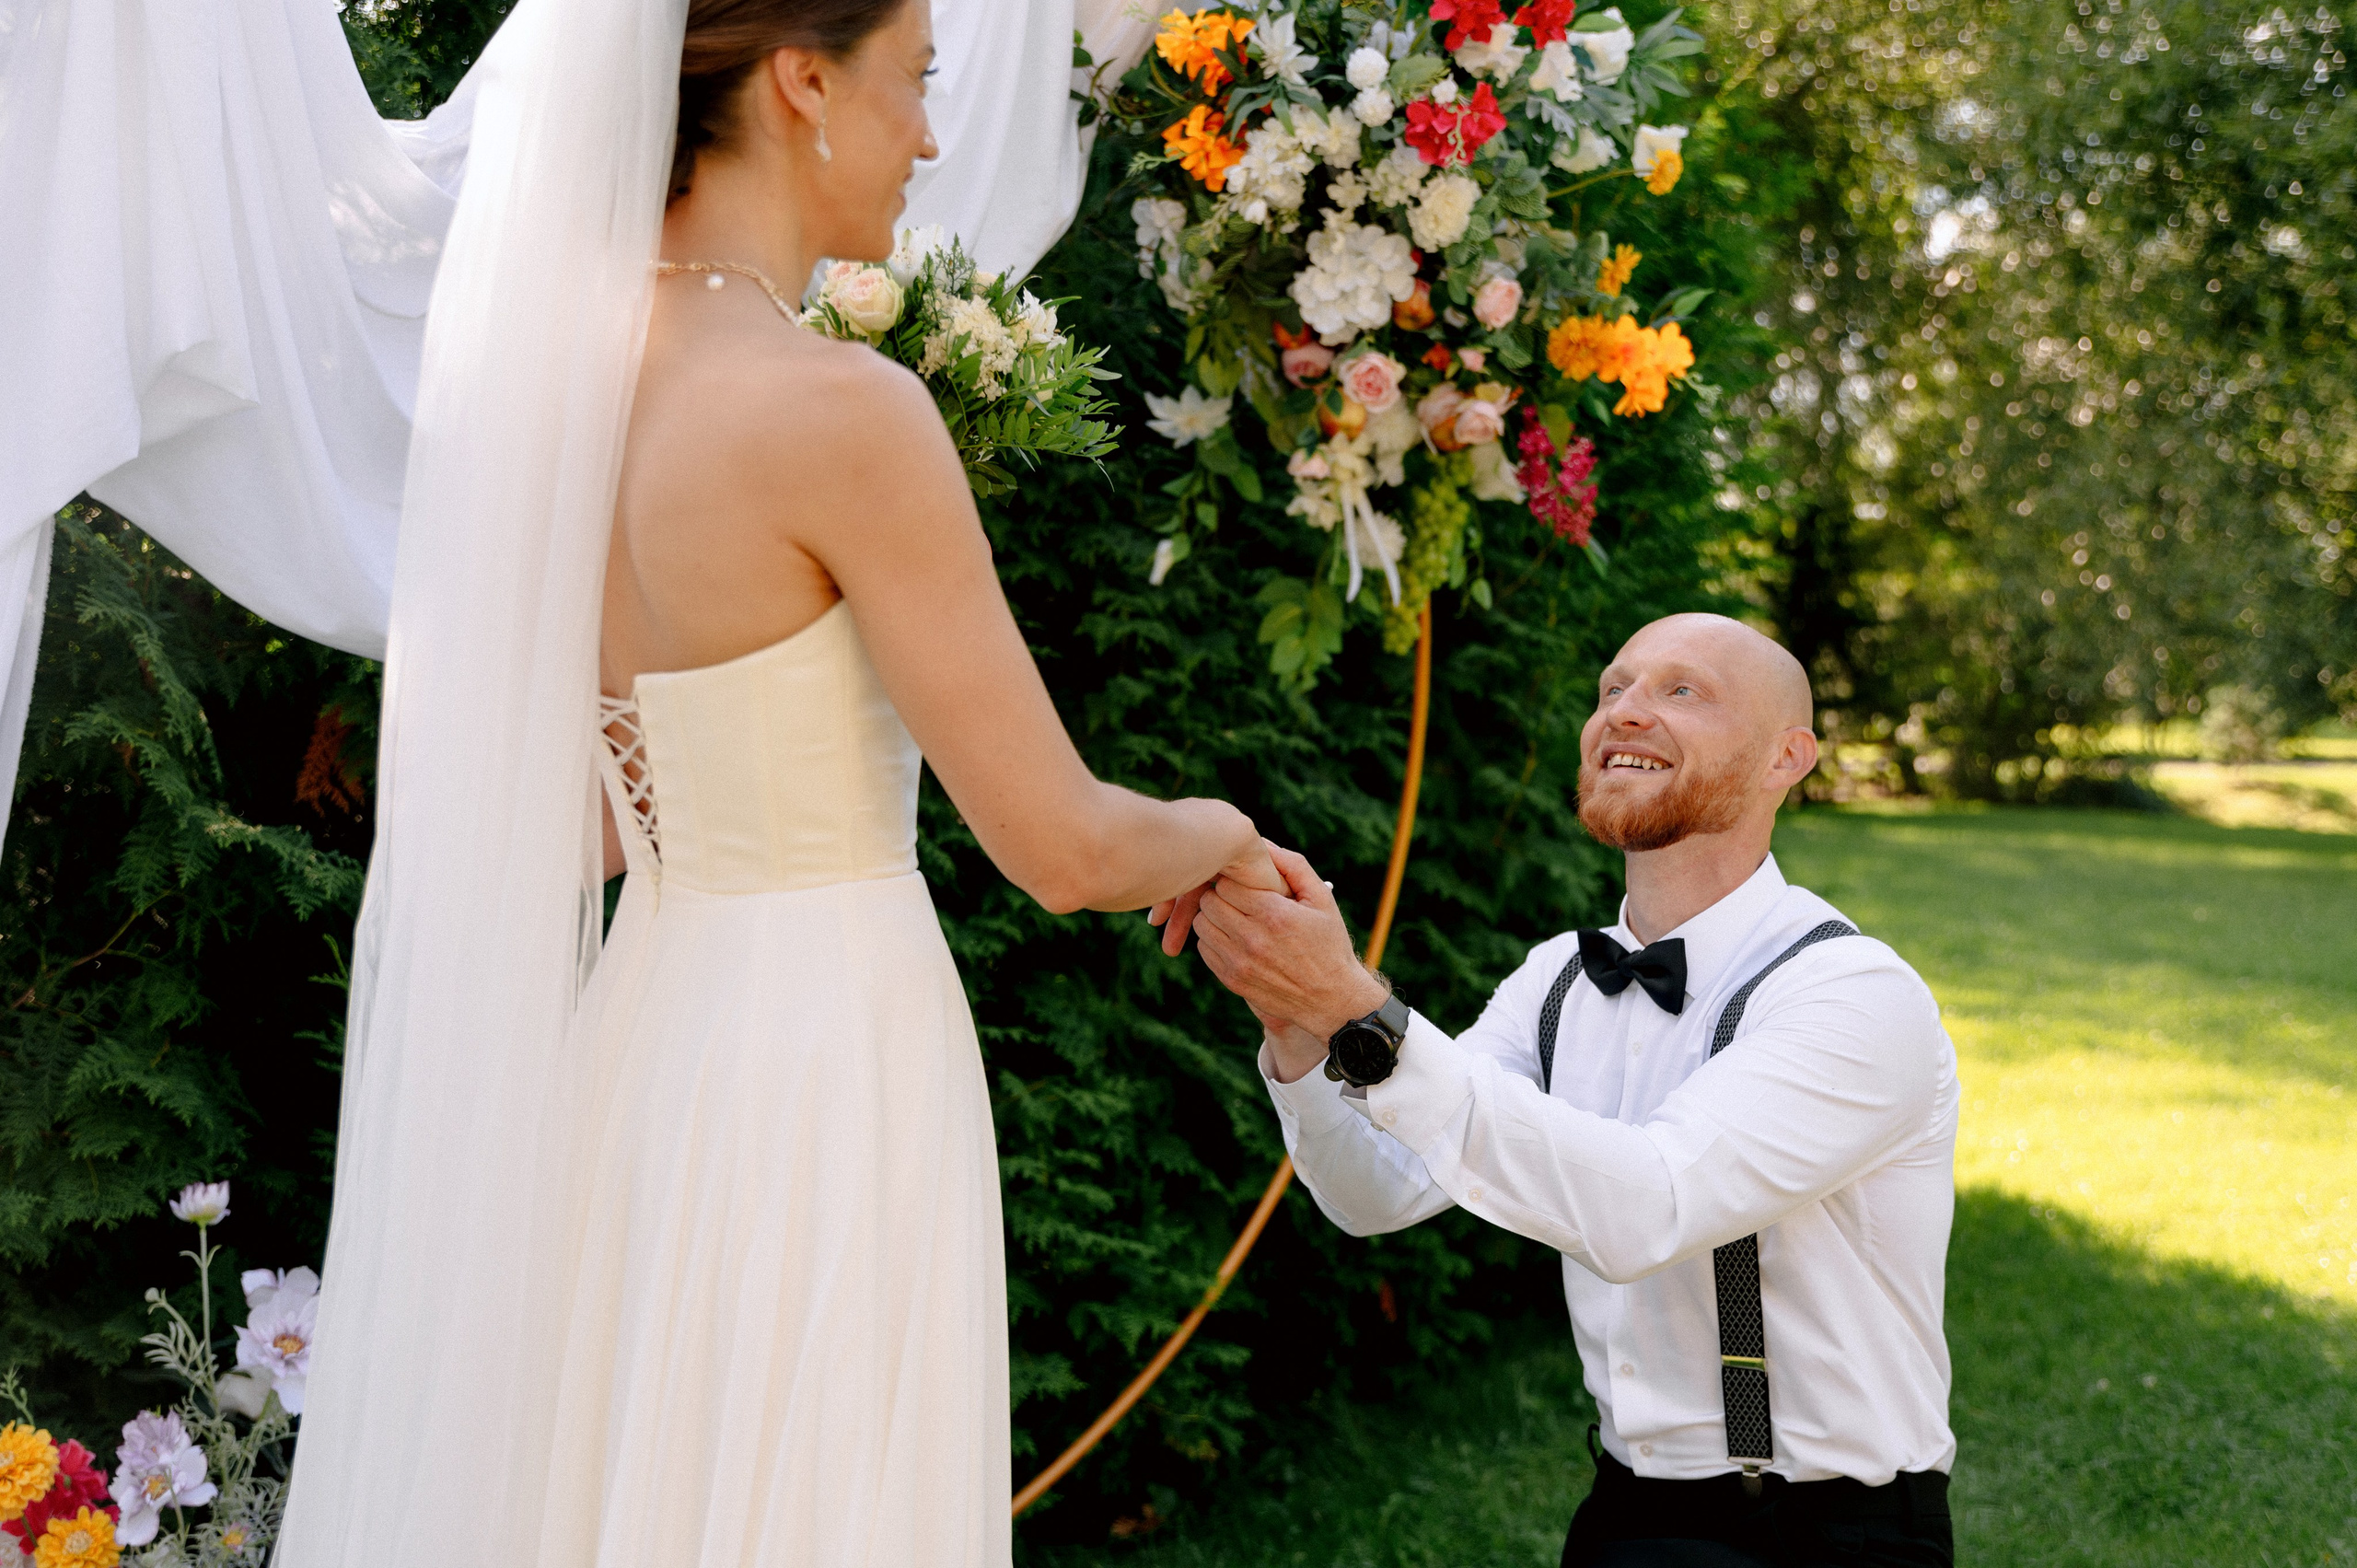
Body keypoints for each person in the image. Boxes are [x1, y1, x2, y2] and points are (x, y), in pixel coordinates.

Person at [277, 0, 1280, 1561]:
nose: (933, 138)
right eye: (916, 82)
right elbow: (1064, 844)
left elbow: (592, 825)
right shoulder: (839, 409)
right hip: (828, 1047)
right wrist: (1222, 829)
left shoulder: (555, 398)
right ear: (804, 82)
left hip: (644, 1037)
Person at [1184, 613, 1959, 1568]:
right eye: (1613, 689)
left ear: (1784, 758)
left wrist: (1357, 1002)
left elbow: (1649, 1205)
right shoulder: (1557, 977)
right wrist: (1298, 1018)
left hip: (1829, 1528)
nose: (1626, 712)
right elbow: (1378, 1191)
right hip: (1625, 1510)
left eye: (1682, 690)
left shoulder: (1852, 993)